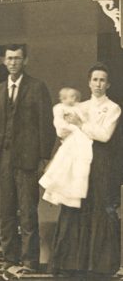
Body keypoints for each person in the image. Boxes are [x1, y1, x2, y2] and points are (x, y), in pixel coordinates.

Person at [0, 44, 55, 274]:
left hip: (27, 161)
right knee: (5, 213)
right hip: (1, 161)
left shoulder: (37, 88)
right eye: (9, 58)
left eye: (17, 58)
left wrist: (43, 157)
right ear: (4, 61)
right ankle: (9, 260)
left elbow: (47, 124)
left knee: (27, 212)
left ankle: (29, 262)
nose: (13, 62)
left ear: (25, 61)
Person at [49, 63, 122, 280]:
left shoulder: (113, 108)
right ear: (89, 82)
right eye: (95, 79)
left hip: (100, 162)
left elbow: (104, 135)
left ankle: (99, 265)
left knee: (98, 206)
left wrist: (81, 124)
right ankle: (71, 262)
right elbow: (64, 132)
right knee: (75, 206)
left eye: (102, 80)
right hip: (79, 161)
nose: (98, 84)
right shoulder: (80, 106)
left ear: (108, 84)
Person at [39, 87, 93, 208]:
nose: (71, 99)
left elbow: (84, 121)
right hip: (69, 136)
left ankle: (74, 190)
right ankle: (59, 190)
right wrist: (71, 127)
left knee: (78, 164)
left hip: (80, 136)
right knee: (64, 163)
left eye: (74, 97)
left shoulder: (78, 108)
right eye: (67, 97)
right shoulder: (59, 108)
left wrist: (80, 125)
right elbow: (59, 125)